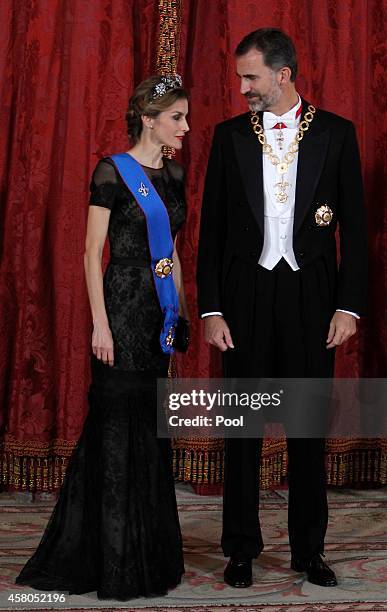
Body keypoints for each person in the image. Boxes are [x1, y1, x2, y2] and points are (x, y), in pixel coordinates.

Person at [197, 29, 367, 588]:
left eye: (251, 77)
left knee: (306, 429)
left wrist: (349, 306)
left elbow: (357, 233)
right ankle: (241, 547)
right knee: (242, 431)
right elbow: (212, 231)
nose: (242, 87)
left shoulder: (338, 134)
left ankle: (308, 550)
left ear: (283, 75)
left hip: (311, 296)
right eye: (242, 77)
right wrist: (212, 310)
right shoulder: (228, 138)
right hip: (245, 294)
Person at [16, 74, 190, 600]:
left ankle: (148, 553)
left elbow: (172, 251)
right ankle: (110, 556)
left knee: (150, 428)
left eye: (184, 116)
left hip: (156, 312)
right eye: (177, 116)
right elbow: (92, 253)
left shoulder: (175, 175)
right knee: (114, 430)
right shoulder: (112, 171)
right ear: (149, 119)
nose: (184, 126)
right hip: (119, 305)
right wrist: (100, 324)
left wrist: (177, 312)